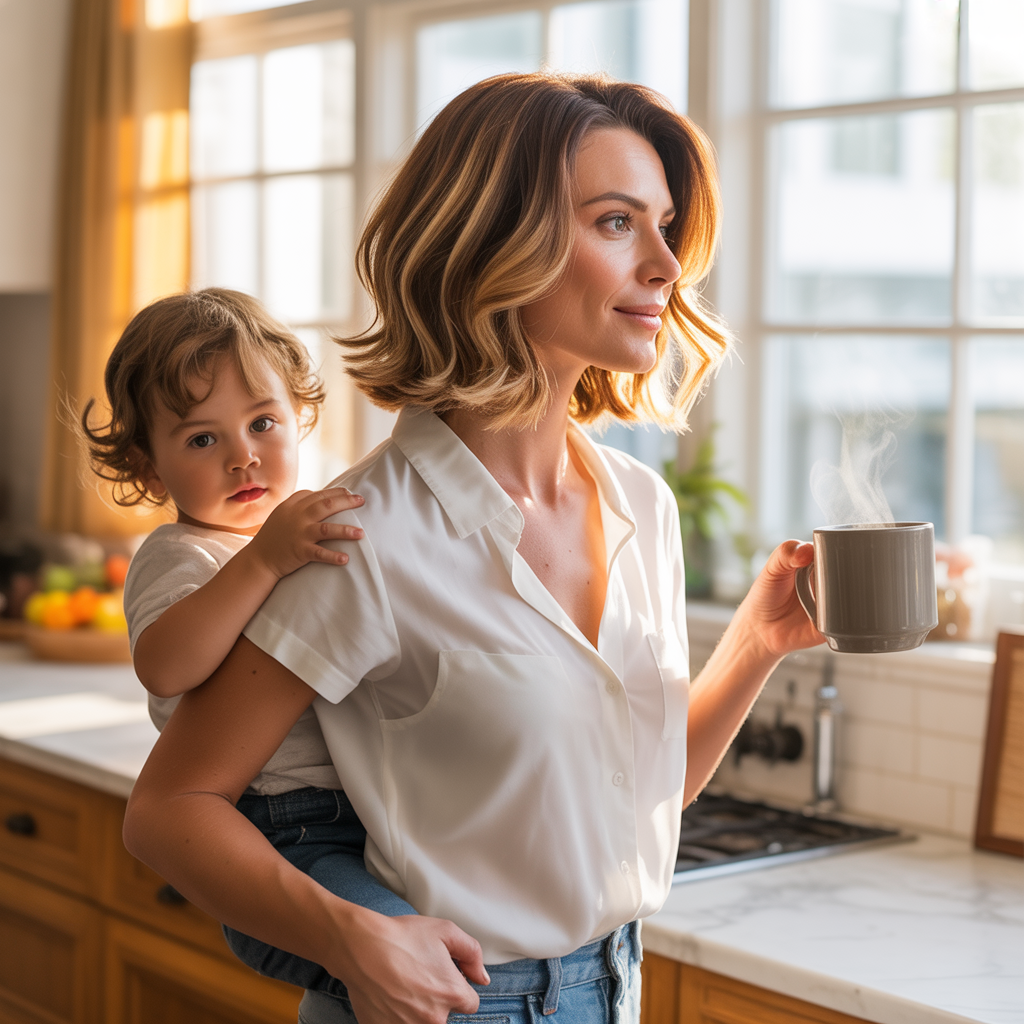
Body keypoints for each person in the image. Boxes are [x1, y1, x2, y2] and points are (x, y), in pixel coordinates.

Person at [123, 73, 823, 1024]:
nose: (666, 264)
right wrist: (348, 936)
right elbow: (170, 810)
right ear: (495, 246)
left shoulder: (641, 508)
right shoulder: (360, 531)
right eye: (617, 223)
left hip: (615, 987)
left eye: (664, 225)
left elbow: (636, 795)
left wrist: (756, 644)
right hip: (454, 1002)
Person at [82, 288, 416, 995]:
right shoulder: (181, 554)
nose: (244, 458)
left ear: (300, 420)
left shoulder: (299, 534)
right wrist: (264, 559)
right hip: (278, 832)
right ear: (149, 469)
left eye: (263, 423)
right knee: (404, 956)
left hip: (358, 817)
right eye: (203, 439)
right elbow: (166, 666)